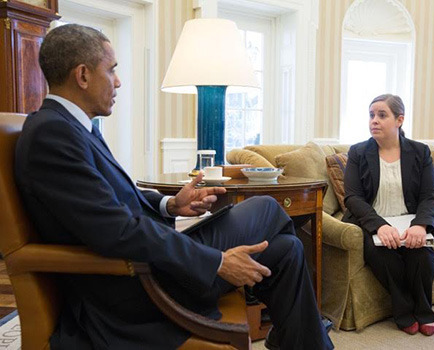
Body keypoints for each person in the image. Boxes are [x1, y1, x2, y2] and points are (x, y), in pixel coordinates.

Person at [14, 24, 333, 350]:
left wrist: (170, 205)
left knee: (287, 250)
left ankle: (302, 338)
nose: (118, 81)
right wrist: (218, 262)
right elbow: (117, 231)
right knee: (265, 206)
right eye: (111, 70)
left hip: (151, 264)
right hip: (138, 284)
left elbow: (111, 202)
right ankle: (305, 331)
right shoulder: (52, 135)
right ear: (82, 76)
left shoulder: (70, 127)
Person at [342, 94, 434, 336]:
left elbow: (430, 196)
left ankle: (425, 312)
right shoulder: (358, 152)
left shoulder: (419, 152)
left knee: (422, 257)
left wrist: (420, 225)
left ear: (399, 120)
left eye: (382, 115)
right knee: (386, 257)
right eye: (371, 115)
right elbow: (353, 198)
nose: (374, 120)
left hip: (410, 221)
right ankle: (404, 310)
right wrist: (380, 226)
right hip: (370, 223)